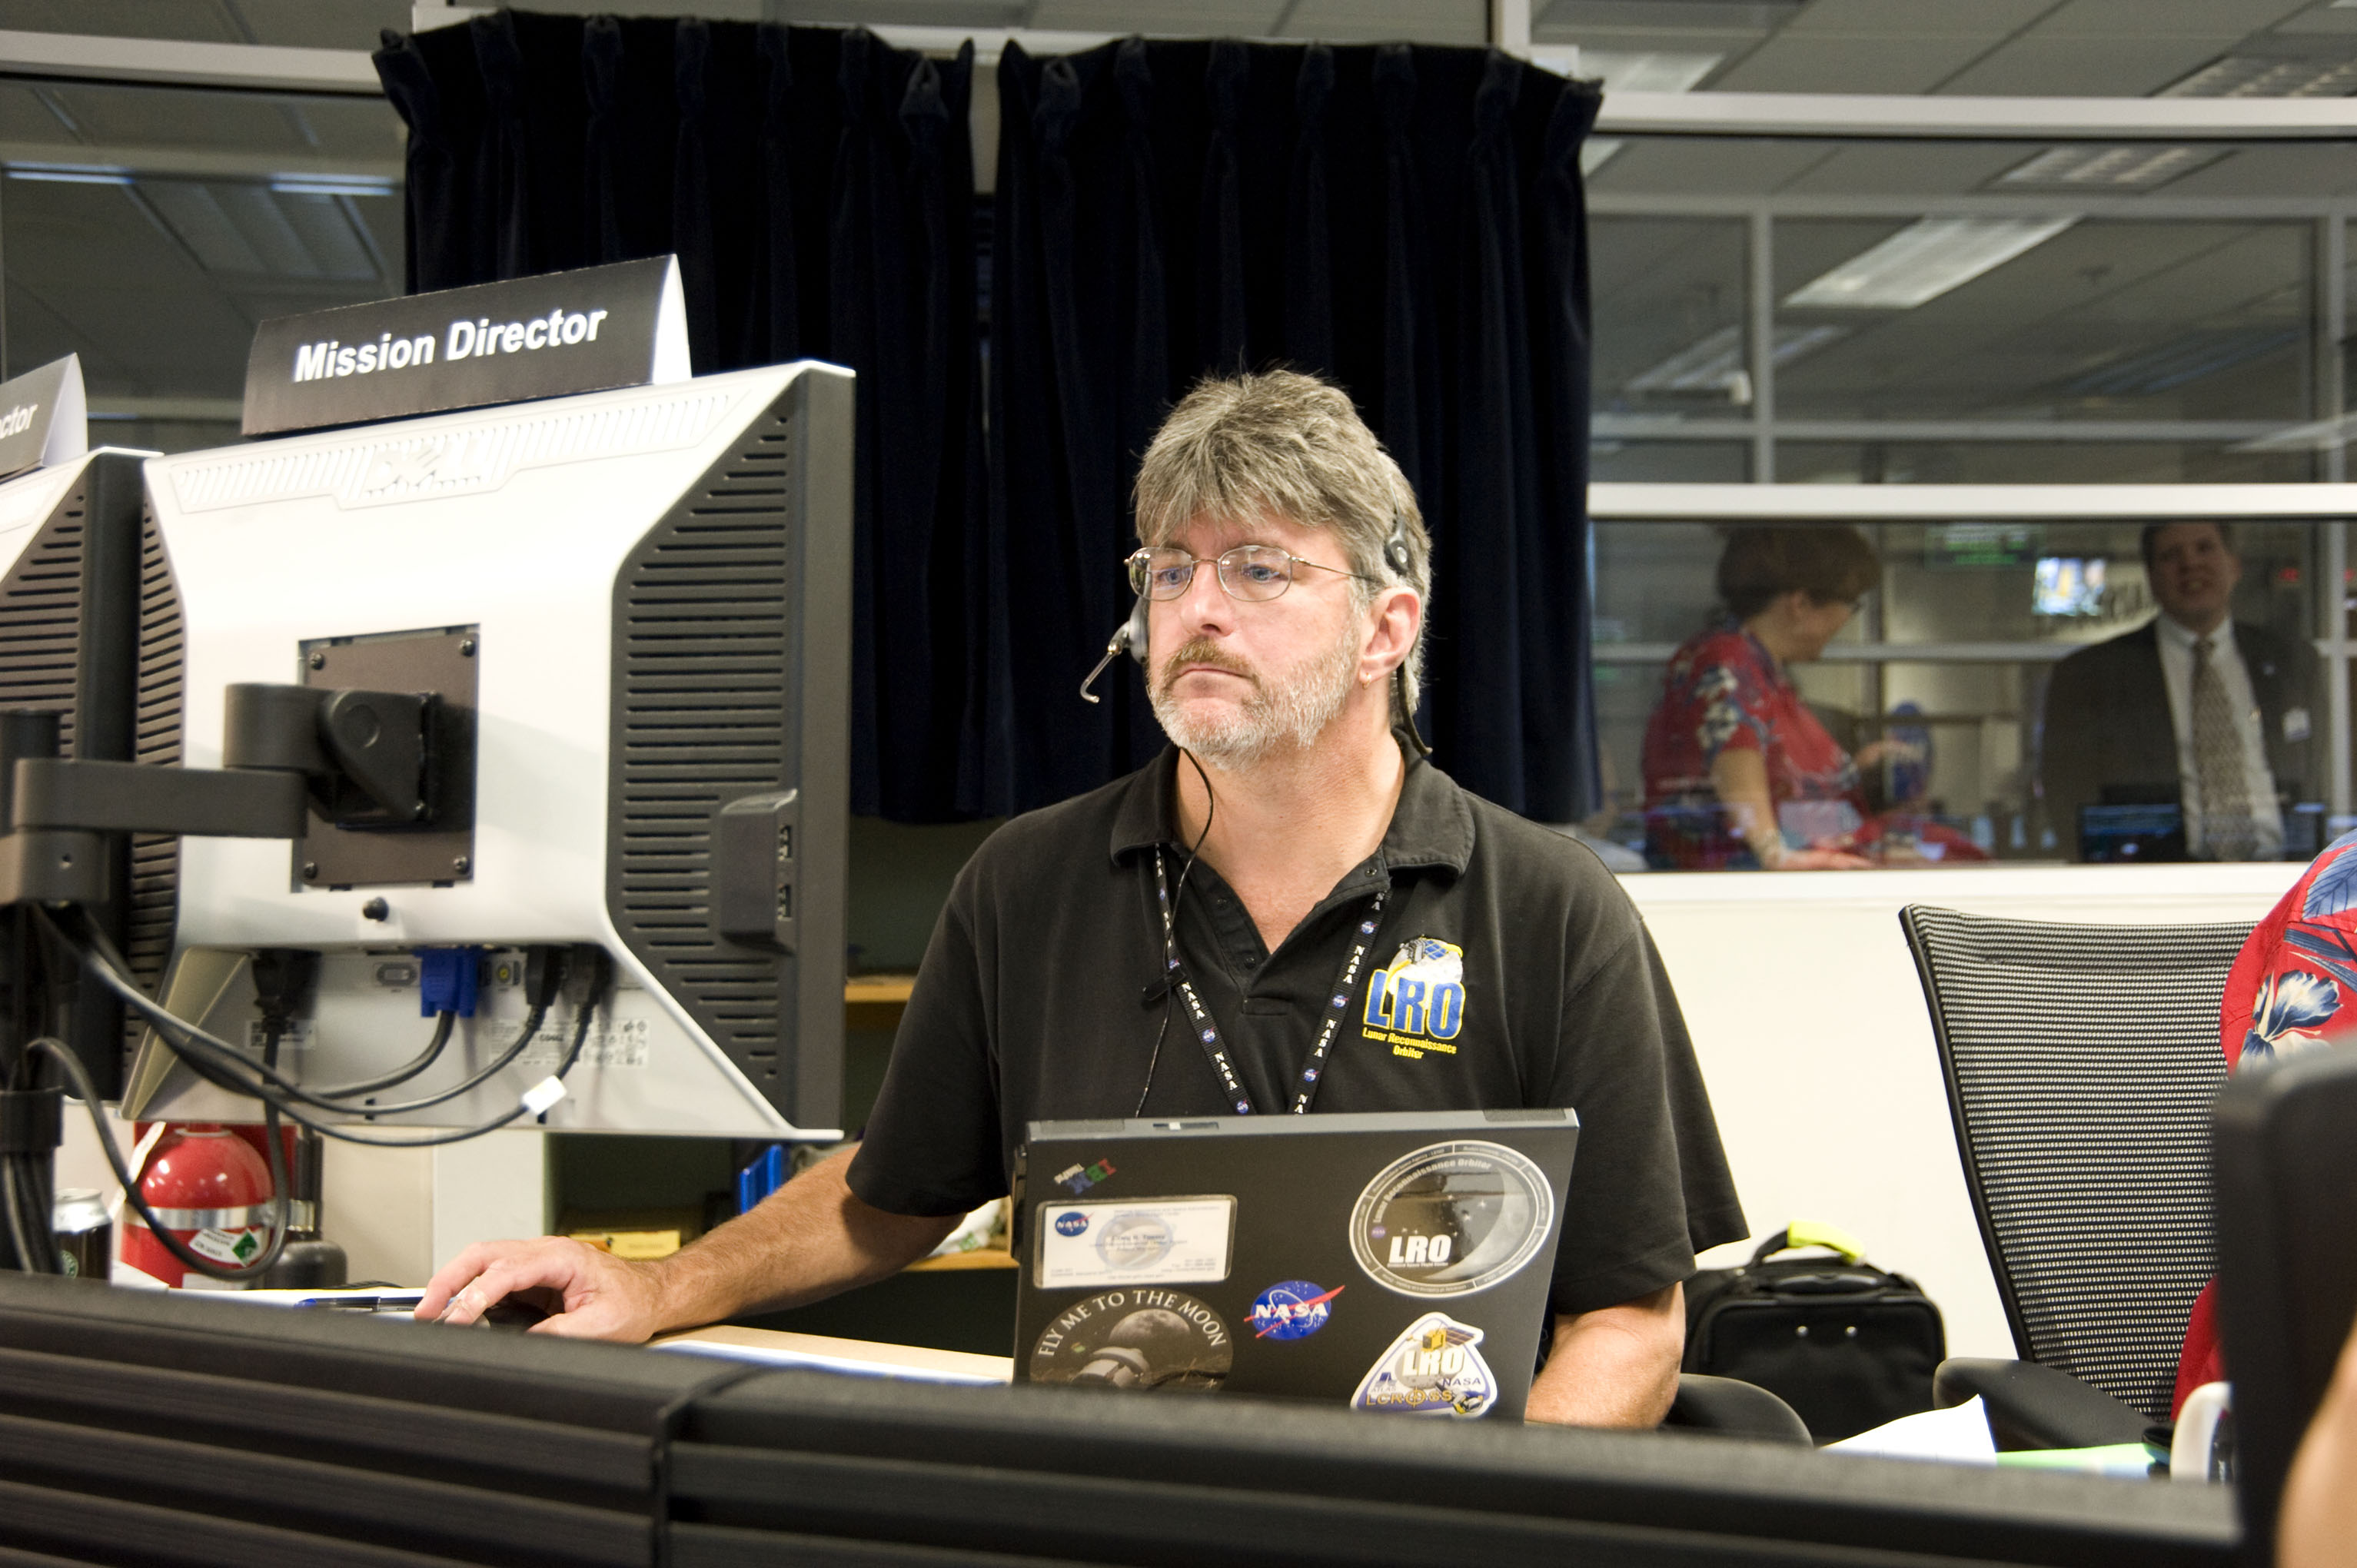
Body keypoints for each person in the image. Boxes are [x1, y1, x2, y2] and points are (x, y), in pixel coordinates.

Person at [418, 369, 1746, 1428]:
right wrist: (657, 1286)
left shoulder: (1548, 906)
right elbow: (890, 1194)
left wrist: (1467, 1526)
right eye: (1168, 569)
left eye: (1258, 568)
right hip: (1112, 1495)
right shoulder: (1029, 882)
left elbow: (1632, 1323)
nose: (1197, 608)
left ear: (1384, 630)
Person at [1640, 527, 1963, 871]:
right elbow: (1735, 754)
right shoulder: (1728, 660)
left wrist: (1859, 770)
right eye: (1850, 604)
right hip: (1735, 880)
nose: (1846, 620)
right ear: (1801, 604)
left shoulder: (1764, 669)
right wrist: (1775, 854)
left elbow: (1782, 777)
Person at [2039, 522, 2319, 862]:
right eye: (2172, 556)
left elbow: (2325, 767)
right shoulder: (2092, 674)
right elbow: (2066, 795)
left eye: (2205, 548)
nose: (2191, 565)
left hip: (2288, 874)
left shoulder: (2292, 660)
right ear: (2151, 576)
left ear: (2234, 565)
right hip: (2154, 879)